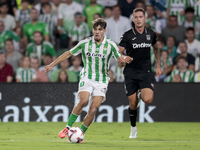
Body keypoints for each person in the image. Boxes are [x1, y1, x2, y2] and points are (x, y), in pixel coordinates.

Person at [44, 18, 131, 141]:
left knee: (93, 109)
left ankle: (81, 133)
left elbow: (119, 57)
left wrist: (123, 59)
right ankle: (68, 127)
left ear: (104, 31)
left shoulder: (110, 44)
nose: (97, 32)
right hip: (87, 77)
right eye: (95, 29)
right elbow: (69, 53)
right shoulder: (85, 43)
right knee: (83, 100)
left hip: (102, 80)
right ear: (92, 30)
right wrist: (52, 64)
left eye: (100, 29)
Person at [118, 8, 162, 138]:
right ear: (133, 19)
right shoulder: (127, 35)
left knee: (147, 99)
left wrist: (158, 65)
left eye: (140, 17)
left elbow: (156, 48)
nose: (138, 19)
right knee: (133, 104)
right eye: (136, 17)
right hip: (130, 73)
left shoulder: (151, 34)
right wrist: (124, 57)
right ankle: (133, 128)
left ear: (145, 18)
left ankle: (141, 92)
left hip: (145, 72)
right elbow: (118, 52)